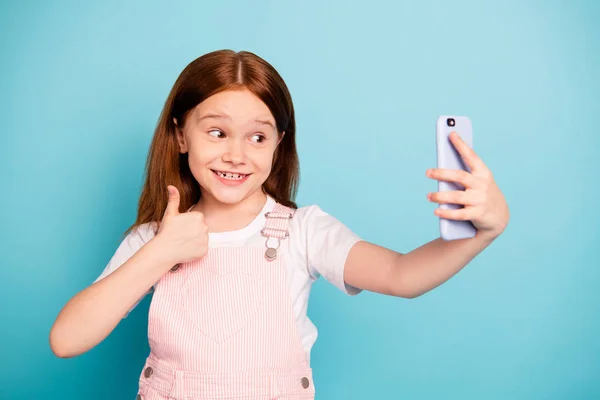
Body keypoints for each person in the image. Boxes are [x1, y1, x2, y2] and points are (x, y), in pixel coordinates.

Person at [49, 49, 509, 400]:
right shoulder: (152, 240)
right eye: (216, 131)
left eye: (257, 136)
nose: (236, 153)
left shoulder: (303, 232)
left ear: (278, 145)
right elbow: (66, 339)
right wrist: (161, 252)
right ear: (178, 134)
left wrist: (484, 232)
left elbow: (401, 275)